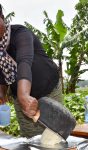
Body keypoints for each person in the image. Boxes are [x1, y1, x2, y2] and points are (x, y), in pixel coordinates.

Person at [0, 4, 63, 138]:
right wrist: (2, 94)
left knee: (56, 136)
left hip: (49, 91)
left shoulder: (21, 34)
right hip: (21, 100)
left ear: (2, 18)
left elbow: (24, 62)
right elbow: (2, 76)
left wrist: (24, 95)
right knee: (31, 139)